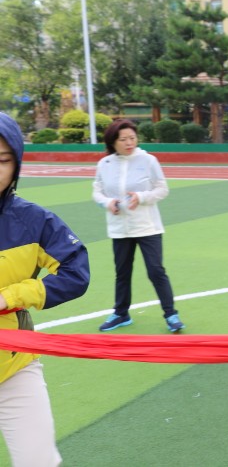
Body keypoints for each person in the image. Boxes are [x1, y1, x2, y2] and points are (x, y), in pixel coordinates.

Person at [0, 112, 90, 466]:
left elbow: (76, 272)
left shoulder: (33, 221)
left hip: (14, 366)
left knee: (38, 462)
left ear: (16, 165)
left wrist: (11, 296)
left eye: (3, 160)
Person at [92, 119, 185, 333]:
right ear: (113, 142)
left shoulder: (148, 160)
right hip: (119, 228)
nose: (129, 143)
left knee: (156, 271)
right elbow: (97, 191)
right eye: (123, 139)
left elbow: (162, 189)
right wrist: (108, 202)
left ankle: (171, 315)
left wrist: (141, 197)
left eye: (132, 138)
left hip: (147, 227)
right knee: (122, 273)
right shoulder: (104, 164)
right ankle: (121, 313)